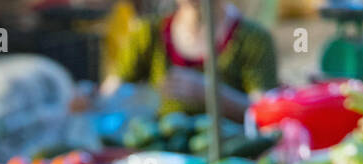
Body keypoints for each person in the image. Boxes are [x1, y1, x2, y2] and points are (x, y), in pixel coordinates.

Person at [107, 0, 277, 118]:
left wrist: (209, 93)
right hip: (161, 158)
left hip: (230, 158)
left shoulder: (253, 39)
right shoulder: (148, 34)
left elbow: (264, 112)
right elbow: (110, 94)